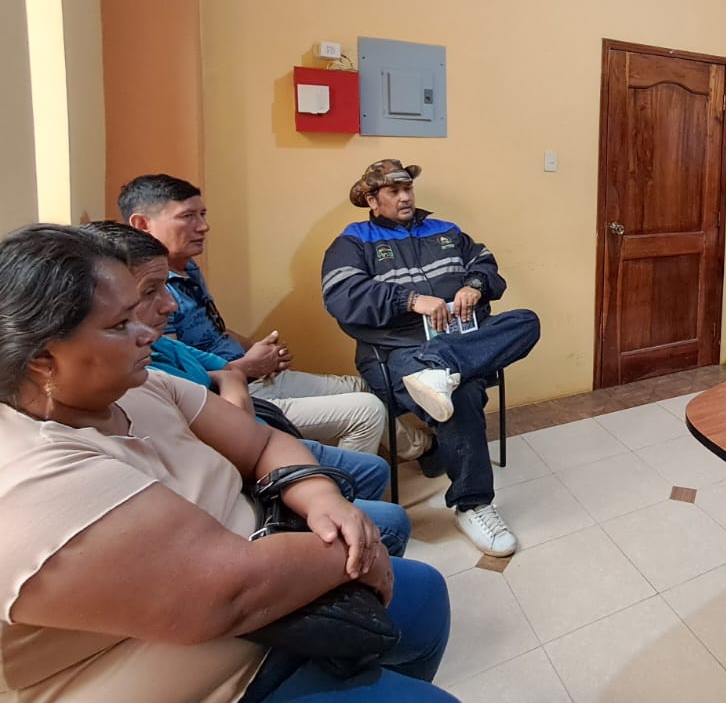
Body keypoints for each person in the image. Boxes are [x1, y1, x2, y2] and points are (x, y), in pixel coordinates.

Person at [0, 224, 457, 703]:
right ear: (43, 359)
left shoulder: (141, 384)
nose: (146, 331)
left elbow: (261, 443)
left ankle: (367, 668)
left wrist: (323, 498)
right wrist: (356, 550)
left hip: (273, 577)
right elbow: (230, 593)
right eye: (119, 325)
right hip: (222, 675)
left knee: (425, 594)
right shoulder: (31, 479)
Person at [83, 220, 411, 556]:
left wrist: (249, 361)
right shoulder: (142, 375)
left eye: (203, 214)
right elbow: (235, 435)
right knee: (371, 432)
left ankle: (365, 526)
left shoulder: (165, 333)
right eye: (149, 292)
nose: (170, 304)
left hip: (255, 416)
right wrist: (242, 376)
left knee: (371, 453)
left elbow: (230, 374)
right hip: (248, 451)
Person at [322, 159, 541, 557]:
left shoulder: (447, 231)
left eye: (408, 188)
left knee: (527, 321)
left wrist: (475, 285)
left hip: (462, 338)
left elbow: (486, 266)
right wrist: (409, 300)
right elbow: (342, 297)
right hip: (396, 352)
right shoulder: (352, 242)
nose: (405, 197)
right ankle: (473, 505)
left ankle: (441, 366)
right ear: (372, 200)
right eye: (393, 191)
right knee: (461, 395)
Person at [119, 174, 396, 459]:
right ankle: (340, 482)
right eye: (188, 216)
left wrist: (260, 351)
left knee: (364, 385)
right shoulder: (146, 293)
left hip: (250, 375)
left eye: (202, 214)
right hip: (229, 394)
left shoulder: (187, 267)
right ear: (142, 224)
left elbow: (215, 331)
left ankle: (417, 448)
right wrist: (247, 366)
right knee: (368, 410)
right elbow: (180, 380)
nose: (203, 226)